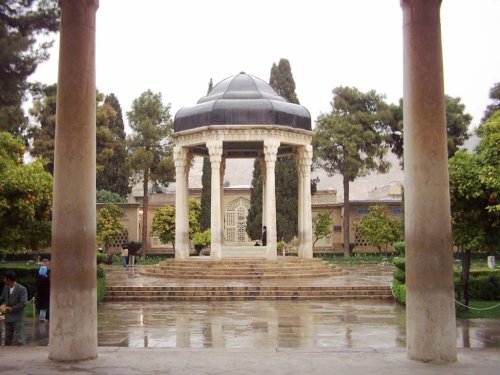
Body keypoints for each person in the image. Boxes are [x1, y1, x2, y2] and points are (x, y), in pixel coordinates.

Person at [0, 271, 28, 345]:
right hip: (8, 318)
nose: (4, 280)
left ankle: (21, 355)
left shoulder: (22, 289)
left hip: (18, 318)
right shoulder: (6, 288)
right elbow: (2, 298)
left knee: (20, 340)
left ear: (9, 280)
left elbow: (23, 303)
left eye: (5, 279)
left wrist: (11, 308)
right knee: (7, 339)